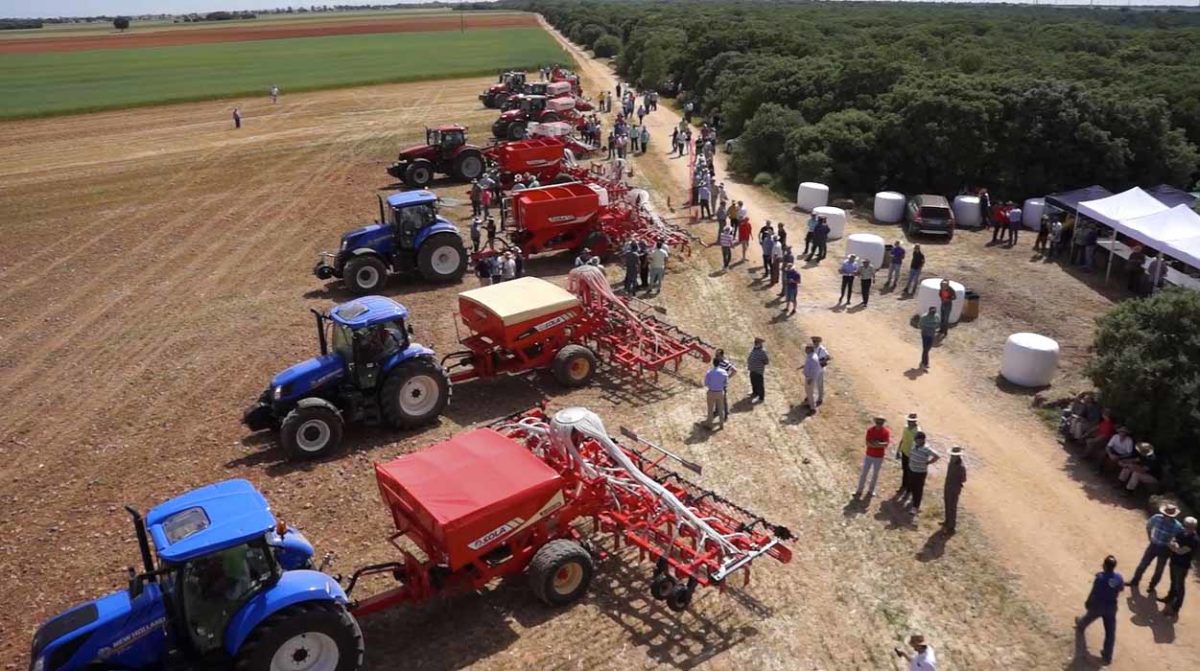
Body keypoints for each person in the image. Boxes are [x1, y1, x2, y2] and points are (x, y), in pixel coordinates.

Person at [1076, 555, 1124, 665]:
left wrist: (1088, 602)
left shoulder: (1100, 578)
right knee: (1110, 632)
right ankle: (1107, 656)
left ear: (1105, 566)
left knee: (1088, 618)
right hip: (1111, 607)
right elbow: (1121, 588)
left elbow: (1094, 592)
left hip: (1099, 606)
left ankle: (1080, 624)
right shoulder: (1119, 578)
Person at [1130, 503, 1183, 592]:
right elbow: (1148, 526)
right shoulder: (1156, 518)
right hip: (1154, 544)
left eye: (1168, 515)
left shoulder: (1177, 526)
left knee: (1159, 569)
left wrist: (1173, 545)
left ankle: (1152, 586)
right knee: (1143, 564)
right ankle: (1135, 581)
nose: (1165, 516)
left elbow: (1180, 539)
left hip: (1165, 549)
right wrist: (1150, 537)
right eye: (1165, 514)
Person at [1162, 516, 1198, 617]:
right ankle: (1169, 598)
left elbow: (1181, 551)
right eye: (1185, 525)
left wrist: (1174, 546)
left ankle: (1175, 607)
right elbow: (1172, 541)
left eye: (1187, 526)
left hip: (1182, 566)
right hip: (1174, 562)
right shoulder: (1181, 532)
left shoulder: (1194, 540)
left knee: (1179, 586)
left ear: (1193, 527)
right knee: (1173, 582)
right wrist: (1174, 545)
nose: (1185, 527)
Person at [854, 416, 891, 498]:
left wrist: (874, 444)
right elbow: (868, 443)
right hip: (869, 455)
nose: (879, 424)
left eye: (881, 422)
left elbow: (885, 444)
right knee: (864, 473)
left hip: (879, 456)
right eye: (878, 422)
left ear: (883, 423)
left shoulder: (886, 432)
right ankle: (859, 490)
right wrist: (879, 444)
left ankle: (871, 490)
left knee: (875, 474)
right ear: (875, 422)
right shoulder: (870, 430)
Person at [906, 432, 940, 515]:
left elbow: (937, 456)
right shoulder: (914, 445)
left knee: (918, 489)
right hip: (912, 470)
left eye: (917, 439)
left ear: (922, 440)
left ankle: (915, 507)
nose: (916, 440)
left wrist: (928, 462)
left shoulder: (926, 448)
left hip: (920, 472)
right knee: (913, 487)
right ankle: (914, 501)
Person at [895, 413, 920, 500]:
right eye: (909, 421)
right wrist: (898, 450)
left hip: (912, 455)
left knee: (911, 473)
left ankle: (909, 491)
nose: (910, 422)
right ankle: (903, 486)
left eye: (912, 421)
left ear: (915, 421)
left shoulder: (918, 431)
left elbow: (919, 445)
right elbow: (903, 439)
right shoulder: (905, 428)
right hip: (904, 452)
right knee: (905, 471)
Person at [943, 446, 966, 534]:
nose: (952, 457)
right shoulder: (951, 463)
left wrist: (956, 481)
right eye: (952, 455)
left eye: (954, 456)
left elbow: (964, 479)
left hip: (954, 488)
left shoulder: (961, 467)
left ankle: (951, 527)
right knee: (947, 503)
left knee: (952, 507)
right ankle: (947, 521)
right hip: (948, 486)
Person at [703, 359, 729, 430]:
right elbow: (726, 383)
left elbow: (706, 383)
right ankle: (721, 425)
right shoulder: (724, 372)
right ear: (719, 364)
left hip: (711, 392)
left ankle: (710, 425)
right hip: (720, 392)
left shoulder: (709, 372)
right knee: (721, 409)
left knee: (710, 409)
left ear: (713, 363)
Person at [746, 337, 769, 403]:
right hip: (752, 370)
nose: (755, 343)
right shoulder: (753, 350)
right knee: (753, 382)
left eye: (757, 342)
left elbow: (766, 361)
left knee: (759, 384)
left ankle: (761, 397)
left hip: (758, 371)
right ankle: (754, 393)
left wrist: (760, 363)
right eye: (755, 342)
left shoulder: (763, 352)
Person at [801, 344, 823, 412]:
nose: (805, 350)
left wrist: (810, 379)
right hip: (809, 377)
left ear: (810, 349)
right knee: (808, 391)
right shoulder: (812, 355)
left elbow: (813, 370)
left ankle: (813, 408)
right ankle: (809, 403)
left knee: (810, 393)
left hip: (810, 378)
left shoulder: (812, 358)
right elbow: (809, 365)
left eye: (806, 349)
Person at [811, 336, 830, 404]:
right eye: (813, 341)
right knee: (812, 383)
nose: (814, 343)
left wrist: (820, 362)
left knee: (819, 384)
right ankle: (811, 397)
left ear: (819, 342)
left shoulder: (822, 349)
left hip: (819, 369)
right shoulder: (812, 348)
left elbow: (828, 357)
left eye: (815, 341)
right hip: (813, 368)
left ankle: (820, 398)